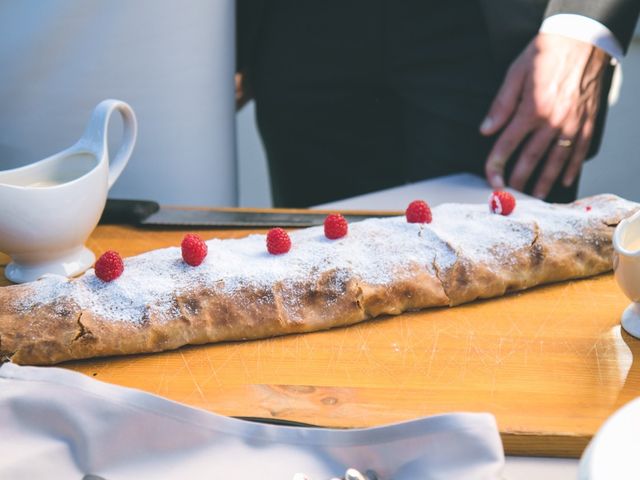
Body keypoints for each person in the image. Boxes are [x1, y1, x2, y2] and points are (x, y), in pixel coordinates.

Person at [236, 0, 640, 207]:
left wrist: (585, 22)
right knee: (317, 298)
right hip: (298, 30)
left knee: (511, 310)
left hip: (488, 33)